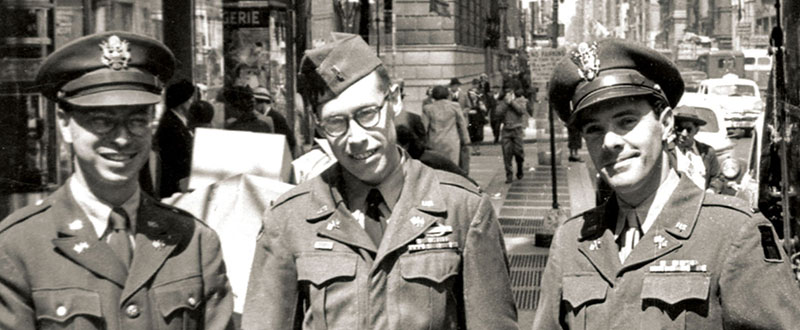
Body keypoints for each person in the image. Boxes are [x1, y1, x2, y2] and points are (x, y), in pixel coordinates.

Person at [242, 33, 518, 330]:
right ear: (319, 125)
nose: (357, 138)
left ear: (394, 100)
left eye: (367, 113)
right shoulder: (289, 220)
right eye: (336, 122)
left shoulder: (462, 209)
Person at [533, 39, 800, 329]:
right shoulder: (572, 241)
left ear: (666, 123)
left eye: (626, 121)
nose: (609, 141)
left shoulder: (734, 233)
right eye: (594, 129)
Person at [0, 31, 234, 329]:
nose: (122, 138)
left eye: (137, 120)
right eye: (102, 120)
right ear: (64, 123)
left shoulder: (194, 242)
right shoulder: (18, 247)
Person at [155, 79, 195, 197]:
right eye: (190, 99)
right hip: (175, 185)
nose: (192, 103)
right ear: (182, 102)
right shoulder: (170, 124)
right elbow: (174, 158)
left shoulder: (178, 120)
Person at [672, 105, 723, 193]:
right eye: (680, 129)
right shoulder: (666, 151)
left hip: (702, 201)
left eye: (688, 129)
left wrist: (711, 191)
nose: (684, 134)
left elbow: (717, 178)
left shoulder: (707, 152)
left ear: (696, 130)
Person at [422, 85, 471, 168]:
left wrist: (423, 143)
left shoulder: (428, 109)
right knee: (453, 166)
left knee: (437, 167)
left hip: (435, 142)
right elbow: (462, 124)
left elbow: (424, 127)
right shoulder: (455, 106)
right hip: (452, 142)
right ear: (447, 94)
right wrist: (466, 140)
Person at [497, 87, 528, 183]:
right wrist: (506, 103)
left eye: (510, 94)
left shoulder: (520, 100)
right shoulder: (502, 102)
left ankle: (520, 168)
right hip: (506, 130)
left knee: (519, 152)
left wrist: (512, 102)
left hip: (517, 129)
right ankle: (509, 175)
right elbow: (498, 113)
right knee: (507, 153)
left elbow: (521, 111)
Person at [254, 87, 297, 157]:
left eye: (255, 104)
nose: (254, 108)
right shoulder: (270, 116)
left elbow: (289, 140)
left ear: (262, 103)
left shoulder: (276, 118)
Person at [466, 78, 488, 155]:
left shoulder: (481, 93)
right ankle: (474, 149)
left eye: (477, 84)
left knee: (479, 133)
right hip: (471, 116)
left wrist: (484, 112)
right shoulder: (468, 93)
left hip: (479, 116)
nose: (475, 85)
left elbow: (484, 104)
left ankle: (477, 149)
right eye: (474, 84)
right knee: (472, 133)